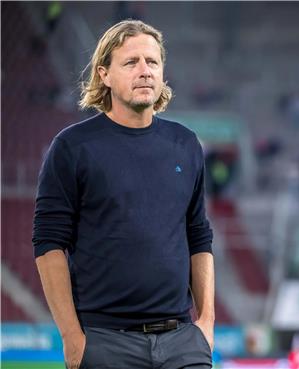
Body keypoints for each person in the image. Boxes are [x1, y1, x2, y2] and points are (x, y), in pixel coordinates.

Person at [32, 20, 215, 369]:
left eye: (153, 62)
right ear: (105, 75)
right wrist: (73, 338)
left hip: (182, 343)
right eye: (131, 63)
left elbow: (199, 236)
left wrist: (206, 324)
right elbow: (48, 242)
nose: (145, 71)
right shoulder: (72, 147)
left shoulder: (185, 144)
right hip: (105, 343)